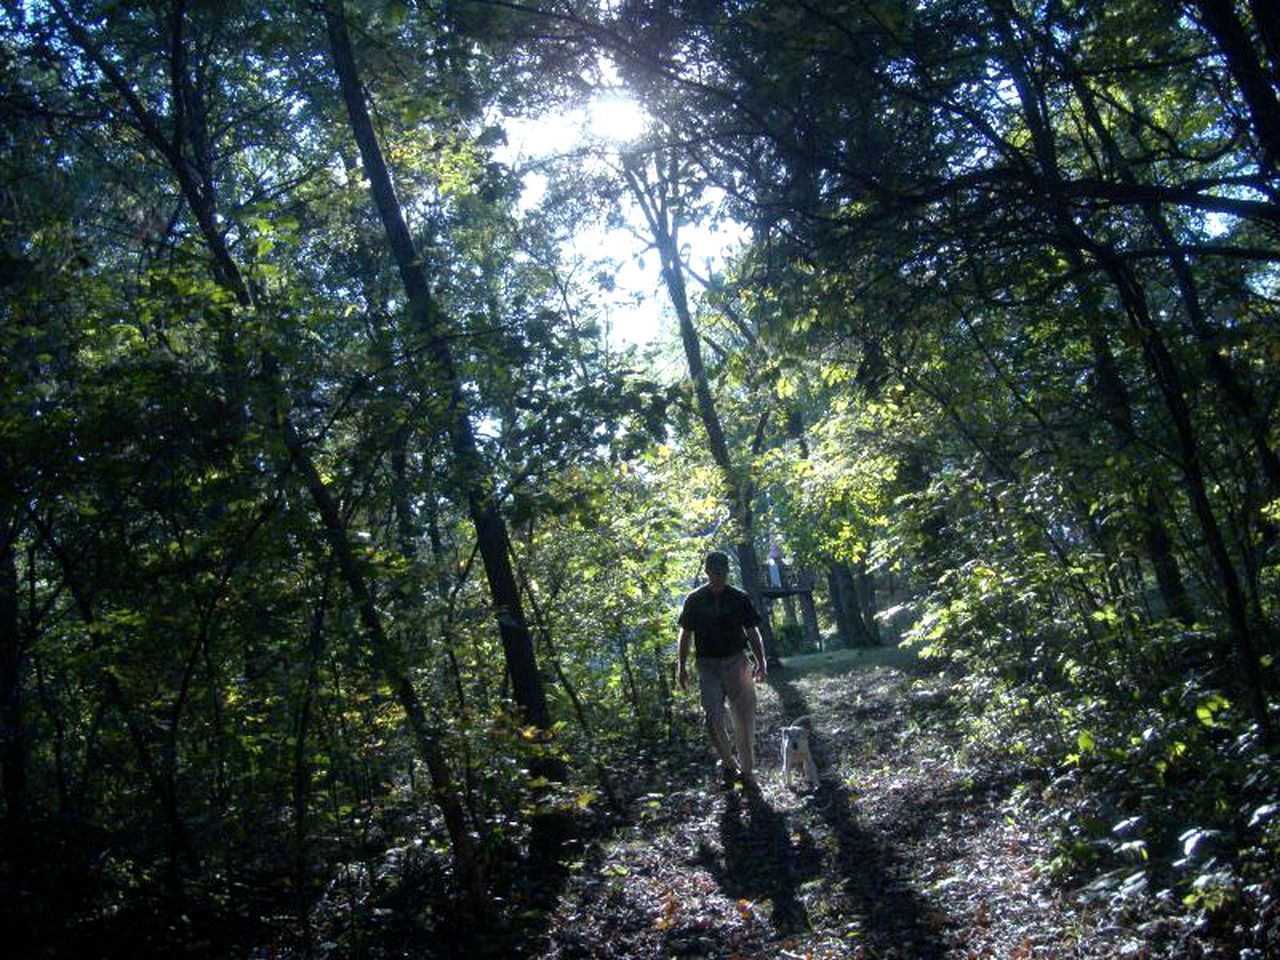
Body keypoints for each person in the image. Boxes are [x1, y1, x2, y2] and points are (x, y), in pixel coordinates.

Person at [676, 550, 768, 788]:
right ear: (707, 572)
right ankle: (729, 762)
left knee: (744, 716)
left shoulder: (739, 598)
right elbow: (685, 633)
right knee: (713, 715)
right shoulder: (694, 599)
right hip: (707, 665)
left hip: (736, 660)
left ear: (727, 572)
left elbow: (752, 631)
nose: (719, 577)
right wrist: (682, 666)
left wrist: (761, 663)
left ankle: (747, 771)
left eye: (723, 573)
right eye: (715, 572)